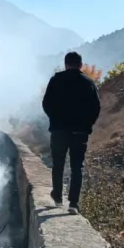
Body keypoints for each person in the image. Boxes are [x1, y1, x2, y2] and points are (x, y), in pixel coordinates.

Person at [42, 51, 101, 214]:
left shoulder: (56, 80)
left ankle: (58, 197)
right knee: (77, 166)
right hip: (80, 132)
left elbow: (46, 103)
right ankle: (73, 203)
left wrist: (54, 119)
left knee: (58, 164)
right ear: (80, 65)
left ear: (66, 64)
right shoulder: (88, 82)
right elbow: (96, 107)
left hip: (59, 130)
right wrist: (87, 125)